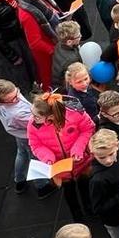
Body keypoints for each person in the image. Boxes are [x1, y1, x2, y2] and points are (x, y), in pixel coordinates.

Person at [28, 93, 95, 221]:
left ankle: (89, 208)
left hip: (81, 161)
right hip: (61, 168)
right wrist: (47, 157)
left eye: (36, 116)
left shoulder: (76, 114)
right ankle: (77, 215)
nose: (32, 118)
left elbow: (88, 128)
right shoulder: (33, 125)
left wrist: (78, 148)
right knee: (69, 193)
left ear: (51, 116)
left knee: (85, 185)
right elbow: (35, 144)